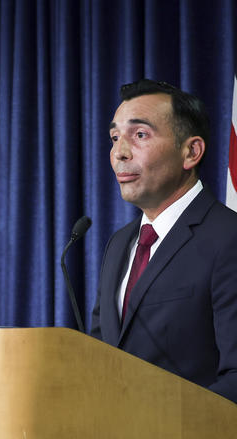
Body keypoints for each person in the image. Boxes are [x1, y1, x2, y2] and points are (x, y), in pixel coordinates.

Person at [92, 79, 237, 404]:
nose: (119, 152)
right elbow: (98, 354)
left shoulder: (228, 238)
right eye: (114, 138)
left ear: (191, 151)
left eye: (139, 135)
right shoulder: (120, 244)